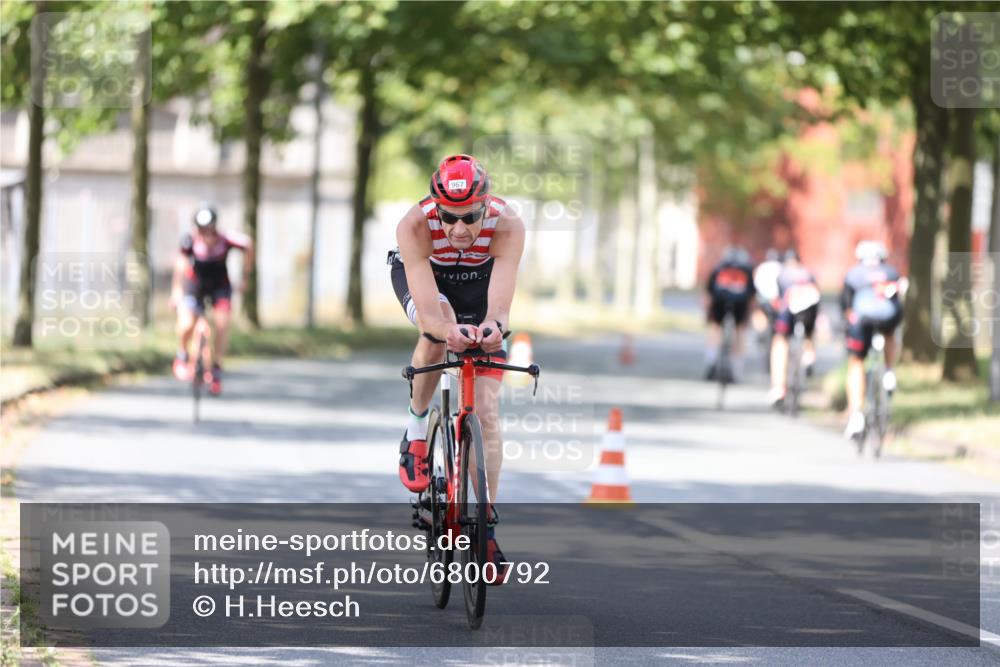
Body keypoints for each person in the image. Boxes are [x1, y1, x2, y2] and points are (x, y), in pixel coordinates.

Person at [390, 154, 525, 583]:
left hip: (480, 282)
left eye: (469, 216)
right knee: (437, 333)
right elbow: (432, 318)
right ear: (437, 209)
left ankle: (485, 530)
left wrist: (493, 329)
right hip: (430, 279)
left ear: (486, 206)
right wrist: (448, 331)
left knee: (486, 413)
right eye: (449, 217)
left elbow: (499, 311)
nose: (460, 228)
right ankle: (416, 431)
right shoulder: (414, 225)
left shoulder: (508, 224)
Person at [170, 204, 253, 395]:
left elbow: (248, 245)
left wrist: (245, 277)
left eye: (208, 229)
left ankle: (216, 368)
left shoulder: (226, 239)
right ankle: (182, 354)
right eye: (201, 229)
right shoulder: (189, 241)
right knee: (186, 323)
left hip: (220, 287)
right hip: (195, 287)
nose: (205, 233)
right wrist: (176, 292)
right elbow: (181, 265)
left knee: (222, 324)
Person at [841, 240, 905, 439]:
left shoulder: (853, 274)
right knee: (890, 333)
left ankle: (856, 415)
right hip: (888, 318)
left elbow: (846, 307)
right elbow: (898, 303)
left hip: (862, 321)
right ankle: (889, 371)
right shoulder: (891, 272)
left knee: (856, 362)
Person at [768, 249, 821, 406]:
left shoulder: (782, 275)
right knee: (809, 331)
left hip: (789, 307)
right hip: (809, 308)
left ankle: (778, 387)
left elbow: (776, 300)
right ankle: (809, 354)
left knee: (780, 340)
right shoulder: (808, 274)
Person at [704, 246, 754, 382]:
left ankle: (711, 360)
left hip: (720, 301)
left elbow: (709, 291)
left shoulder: (719, 267)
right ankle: (737, 367)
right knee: (739, 331)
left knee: (715, 328)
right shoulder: (746, 269)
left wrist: (708, 313)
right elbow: (751, 294)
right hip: (740, 303)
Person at [753, 248, 783, 361]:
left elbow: (756, 285)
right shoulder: (781, 267)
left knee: (758, 311)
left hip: (764, 299)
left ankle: (760, 332)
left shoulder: (761, 268)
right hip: (776, 300)